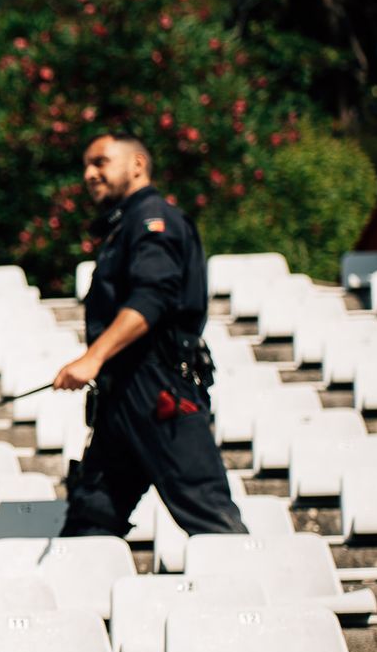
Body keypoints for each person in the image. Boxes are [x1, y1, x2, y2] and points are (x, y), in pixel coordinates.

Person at [53, 132, 247, 539]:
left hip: (160, 388)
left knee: (210, 518)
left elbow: (150, 300)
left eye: (101, 162)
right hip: (121, 395)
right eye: (86, 166)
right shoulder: (123, 228)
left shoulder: (152, 220)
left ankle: (261, 599)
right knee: (91, 519)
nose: (89, 174)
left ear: (137, 164)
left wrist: (92, 358)